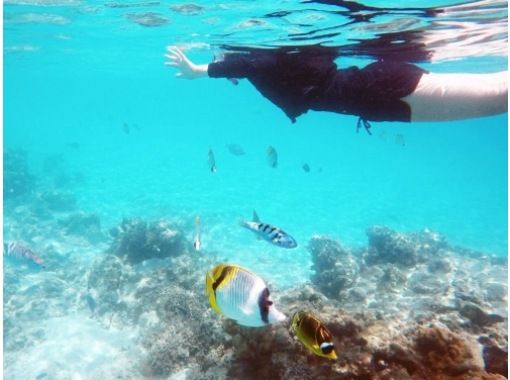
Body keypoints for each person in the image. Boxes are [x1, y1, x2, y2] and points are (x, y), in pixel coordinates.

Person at [164, 45, 507, 131]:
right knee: (498, 100)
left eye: (221, 55)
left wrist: (202, 70)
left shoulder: (262, 60)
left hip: (379, 89)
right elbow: (249, 68)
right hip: (377, 102)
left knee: (500, 95)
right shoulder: (266, 67)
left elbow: (252, 63)